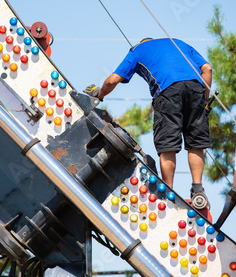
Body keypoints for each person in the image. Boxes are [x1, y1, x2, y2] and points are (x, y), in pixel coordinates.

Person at [84, 38, 212, 204]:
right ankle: (198, 190)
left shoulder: (138, 50)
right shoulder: (178, 42)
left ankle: (168, 193)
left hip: (167, 92)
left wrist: (99, 94)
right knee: (196, 143)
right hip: (196, 88)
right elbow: (207, 69)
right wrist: (205, 102)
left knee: (167, 146)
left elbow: (112, 80)